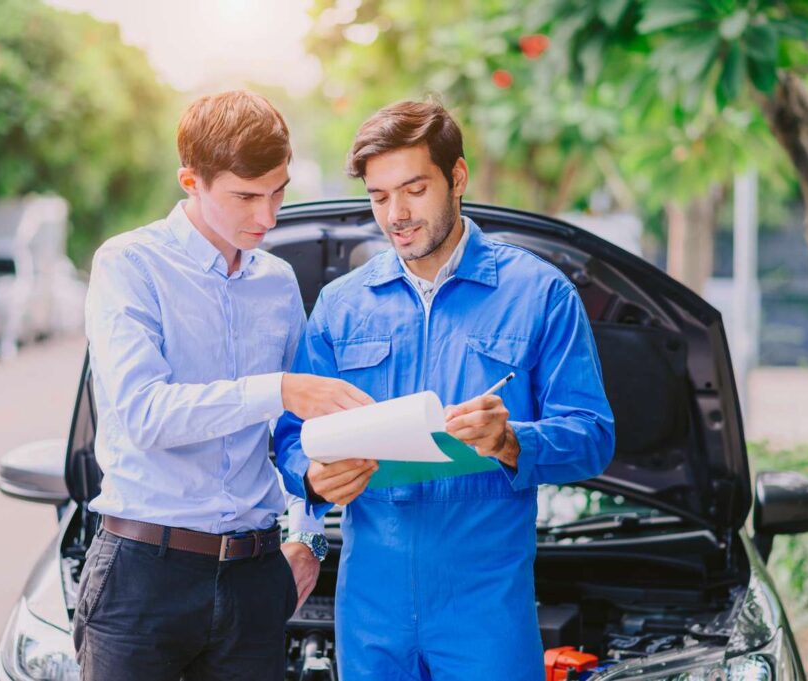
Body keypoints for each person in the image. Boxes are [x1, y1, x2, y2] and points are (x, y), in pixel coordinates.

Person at [274, 100, 616, 680]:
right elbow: (291, 435)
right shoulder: (340, 306)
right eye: (380, 197)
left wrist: (510, 441)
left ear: (457, 178)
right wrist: (309, 472)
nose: (397, 215)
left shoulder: (539, 294)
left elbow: (592, 435)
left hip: (485, 607)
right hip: (369, 609)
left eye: (414, 189)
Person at [74, 90, 372, 681]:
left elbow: (303, 431)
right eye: (245, 196)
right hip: (142, 579)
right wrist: (277, 389)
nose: (267, 217)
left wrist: (309, 535)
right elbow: (144, 414)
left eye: (278, 192)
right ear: (192, 181)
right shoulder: (129, 265)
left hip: (255, 578)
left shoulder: (279, 282)